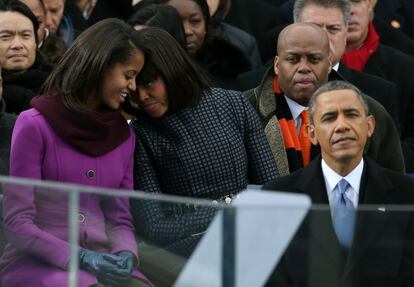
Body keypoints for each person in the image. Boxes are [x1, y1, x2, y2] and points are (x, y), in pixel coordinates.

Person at [0, 18, 152, 287]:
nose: (132, 87)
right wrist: (80, 256)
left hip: (104, 261)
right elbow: (17, 222)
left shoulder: (124, 135)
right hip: (37, 265)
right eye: (128, 75)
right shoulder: (33, 124)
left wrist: (127, 252)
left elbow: (120, 219)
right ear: (101, 66)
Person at [129, 27, 278, 255]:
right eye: (133, 89)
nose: (141, 96)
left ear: (171, 69)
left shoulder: (233, 104)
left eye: (148, 83)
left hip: (256, 235)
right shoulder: (140, 133)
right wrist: (227, 211)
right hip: (189, 252)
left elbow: (272, 189)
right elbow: (154, 227)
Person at [263, 80, 414, 286]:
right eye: (329, 118)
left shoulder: (406, 195)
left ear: (370, 126)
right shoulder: (278, 197)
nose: (342, 126)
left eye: (351, 115)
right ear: (312, 134)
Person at [243, 22, 404, 176]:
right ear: (277, 65)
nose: (304, 68)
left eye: (314, 59)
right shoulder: (244, 110)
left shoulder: (369, 111)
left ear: (328, 63)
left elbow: (390, 187)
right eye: (293, 59)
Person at [342, 0, 414, 172]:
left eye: (356, 1)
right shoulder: (306, 71)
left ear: (371, 3)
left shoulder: (406, 65)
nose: (349, 11)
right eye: (339, 3)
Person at [0, 0, 52, 114]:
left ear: (35, 41)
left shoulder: (58, 85)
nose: (18, 45)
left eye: (25, 35)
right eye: (5, 37)